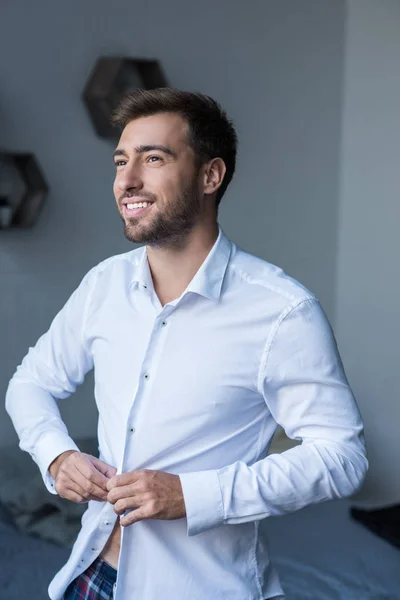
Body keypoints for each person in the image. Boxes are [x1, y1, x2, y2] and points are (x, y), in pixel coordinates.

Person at [5, 88, 368, 600]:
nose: (126, 180)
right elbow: (30, 383)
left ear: (210, 176)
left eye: (153, 159)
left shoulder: (283, 312)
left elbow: (343, 457)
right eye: (121, 161)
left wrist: (193, 496)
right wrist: (57, 455)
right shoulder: (102, 285)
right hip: (89, 575)